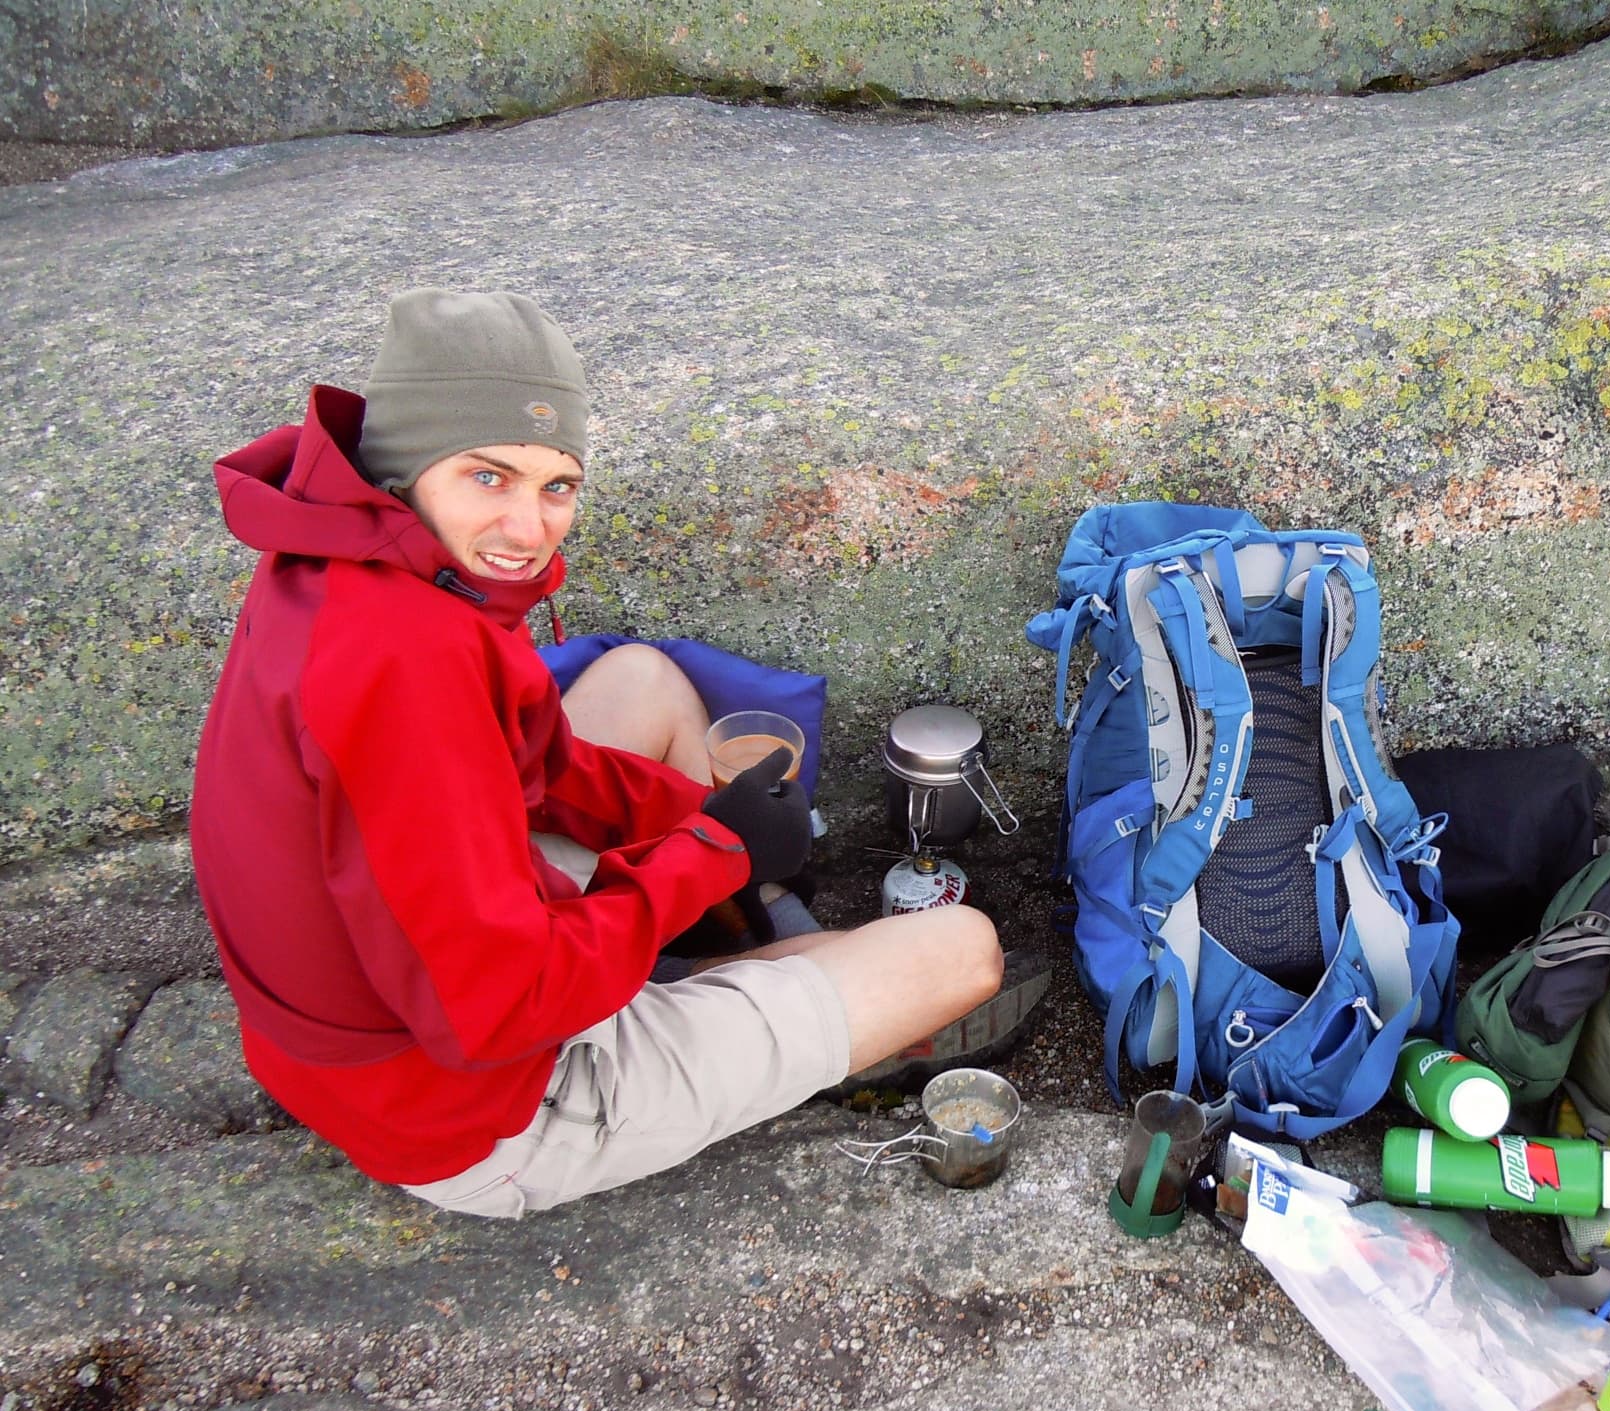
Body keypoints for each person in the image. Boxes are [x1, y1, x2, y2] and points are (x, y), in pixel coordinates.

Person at [191, 288, 1027, 1219]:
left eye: (556, 485)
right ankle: (717, 1005)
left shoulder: (357, 566)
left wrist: (698, 819)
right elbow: (498, 1009)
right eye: (488, 477)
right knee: (961, 952)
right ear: (404, 466)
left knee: (639, 679)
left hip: (405, 997)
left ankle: (696, 971)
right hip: (477, 1111)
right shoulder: (401, 671)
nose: (529, 528)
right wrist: (712, 853)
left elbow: (537, 771)